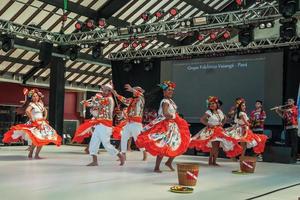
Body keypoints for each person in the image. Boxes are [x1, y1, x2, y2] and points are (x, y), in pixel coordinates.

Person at [136, 81, 191, 173]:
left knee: (177, 144)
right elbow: (165, 114)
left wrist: (176, 117)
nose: (171, 92)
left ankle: (169, 162)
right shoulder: (165, 101)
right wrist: (174, 116)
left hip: (173, 126)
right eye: (169, 90)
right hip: (165, 126)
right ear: (164, 92)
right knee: (162, 145)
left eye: (172, 90)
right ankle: (157, 167)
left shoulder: (171, 101)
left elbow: (172, 113)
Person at [3, 88, 62, 159]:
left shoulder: (40, 104)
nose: (35, 97)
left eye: (36, 96)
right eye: (33, 96)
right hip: (35, 123)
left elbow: (45, 110)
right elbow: (27, 111)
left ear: (38, 97)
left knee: (42, 139)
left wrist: (45, 117)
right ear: (31, 97)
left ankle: (36, 154)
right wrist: (32, 118)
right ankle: (31, 153)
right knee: (36, 139)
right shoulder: (31, 104)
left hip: (42, 123)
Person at [190, 96, 242, 165]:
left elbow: (225, 118)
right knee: (214, 147)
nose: (212, 105)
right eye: (210, 104)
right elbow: (202, 119)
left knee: (217, 147)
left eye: (213, 103)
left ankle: (214, 161)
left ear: (217, 104)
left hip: (219, 130)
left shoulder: (219, 111)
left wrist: (222, 124)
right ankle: (210, 160)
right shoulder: (208, 112)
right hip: (211, 131)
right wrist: (208, 124)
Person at [86, 84, 125, 166]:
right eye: (103, 90)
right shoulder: (104, 99)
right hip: (99, 123)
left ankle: (120, 155)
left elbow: (98, 102)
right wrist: (89, 104)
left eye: (105, 90)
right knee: (94, 142)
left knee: (106, 144)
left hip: (105, 125)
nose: (103, 91)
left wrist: (93, 101)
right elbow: (97, 105)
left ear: (109, 91)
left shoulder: (109, 99)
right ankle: (95, 161)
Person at [112, 84, 147, 161]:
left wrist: (131, 89)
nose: (134, 92)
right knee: (124, 138)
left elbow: (140, 94)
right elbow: (124, 100)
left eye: (136, 90)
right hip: (129, 123)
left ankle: (144, 152)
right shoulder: (131, 100)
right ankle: (123, 155)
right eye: (134, 90)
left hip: (136, 124)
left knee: (138, 140)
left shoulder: (141, 99)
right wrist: (116, 94)